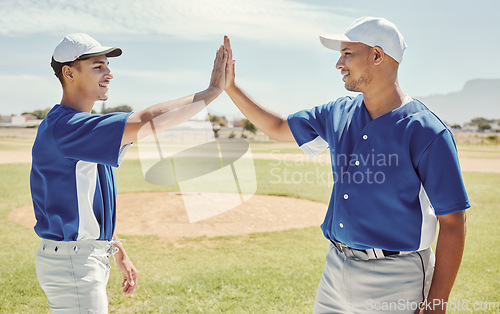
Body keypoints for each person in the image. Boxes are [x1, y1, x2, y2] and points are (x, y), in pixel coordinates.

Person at [222, 17, 469, 313]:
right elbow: (277, 127)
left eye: (347, 53)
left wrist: (437, 302)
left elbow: (453, 223)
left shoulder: (427, 131)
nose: (339, 63)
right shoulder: (337, 112)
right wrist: (231, 88)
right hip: (335, 270)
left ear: (377, 55)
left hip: (396, 278)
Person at [30, 33, 227, 313]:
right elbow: (145, 120)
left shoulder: (75, 127)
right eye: (98, 66)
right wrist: (210, 93)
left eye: (107, 65)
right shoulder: (67, 127)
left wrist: (116, 249)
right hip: (73, 263)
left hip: (77, 259)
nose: (109, 73)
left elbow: (89, 200)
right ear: (68, 72)